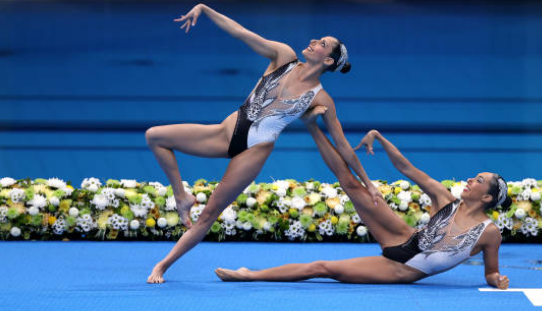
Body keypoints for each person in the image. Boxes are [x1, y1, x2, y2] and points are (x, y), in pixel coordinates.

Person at [146, 4, 381, 284]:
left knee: (210, 213)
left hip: (255, 150)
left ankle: (162, 266)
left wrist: (368, 182)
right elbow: (241, 33)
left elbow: (342, 146)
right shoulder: (284, 56)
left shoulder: (322, 100)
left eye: (322, 44)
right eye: (317, 39)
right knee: (155, 136)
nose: (313, 42)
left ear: (328, 61)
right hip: (225, 133)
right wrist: (205, 10)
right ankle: (181, 197)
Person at [215, 107, 511, 289]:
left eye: (479, 181)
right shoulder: (446, 200)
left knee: (322, 268)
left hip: (401, 270)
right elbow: (407, 168)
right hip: (403, 236)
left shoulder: (489, 233)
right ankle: (311, 125)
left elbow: (491, 272)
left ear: (487, 197)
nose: (471, 180)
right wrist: (378, 136)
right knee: (352, 185)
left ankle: (250, 275)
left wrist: (497, 280)